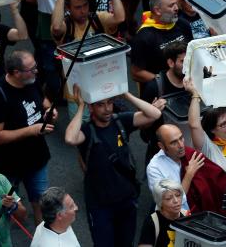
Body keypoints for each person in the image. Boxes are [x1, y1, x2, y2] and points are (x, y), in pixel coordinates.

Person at [64, 85, 161, 246]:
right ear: (91, 107)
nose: (107, 109)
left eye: (109, 103)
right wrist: (81, 106)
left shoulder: (120, 121)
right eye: (101, 104)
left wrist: (126, 94)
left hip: (127, 201)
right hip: (100, 205)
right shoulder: (87, 130)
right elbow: (70, 139)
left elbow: (155, 114)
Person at [0, 51, 55, 225]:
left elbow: (43, 99)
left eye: (35, 67)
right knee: (8, 205)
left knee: (41, 200)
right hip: (8, 165)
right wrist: (31, 130)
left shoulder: (31, 80)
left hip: (36, 157)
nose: (36, 71)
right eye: (31, 69)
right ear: (16, 72)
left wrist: (49, 110)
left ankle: (42, 239)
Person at [147, 124, 226, 214]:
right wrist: (189, 174)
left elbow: (217, 179)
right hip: (178, 219)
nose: (181, 145)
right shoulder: (154, 168)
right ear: (161, 146)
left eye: (181, 138)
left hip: (206, 213)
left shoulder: (191, 154)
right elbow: (170, 203)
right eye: (174, 142)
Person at [130, 0, 193, 84]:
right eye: (171, 5)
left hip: (189, 81)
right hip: (163, 91)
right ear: (157, 10)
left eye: (176, 4)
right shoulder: (143, 37)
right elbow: (136, 73)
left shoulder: (182, 24)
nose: (176, 8)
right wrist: (167, 82)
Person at [49, 0, 124, 44]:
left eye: (85, 5)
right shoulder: (66, 25)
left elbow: (119, 18)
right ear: (68, 8)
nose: (83, 11)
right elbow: (56, 27)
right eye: (77, 7)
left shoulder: (97, 18)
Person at [137, 179, 187, 247]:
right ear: (160, 203)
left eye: (178, 195)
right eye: (169, 198)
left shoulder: (188, 216)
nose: (176, 201)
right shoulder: (152, 222)